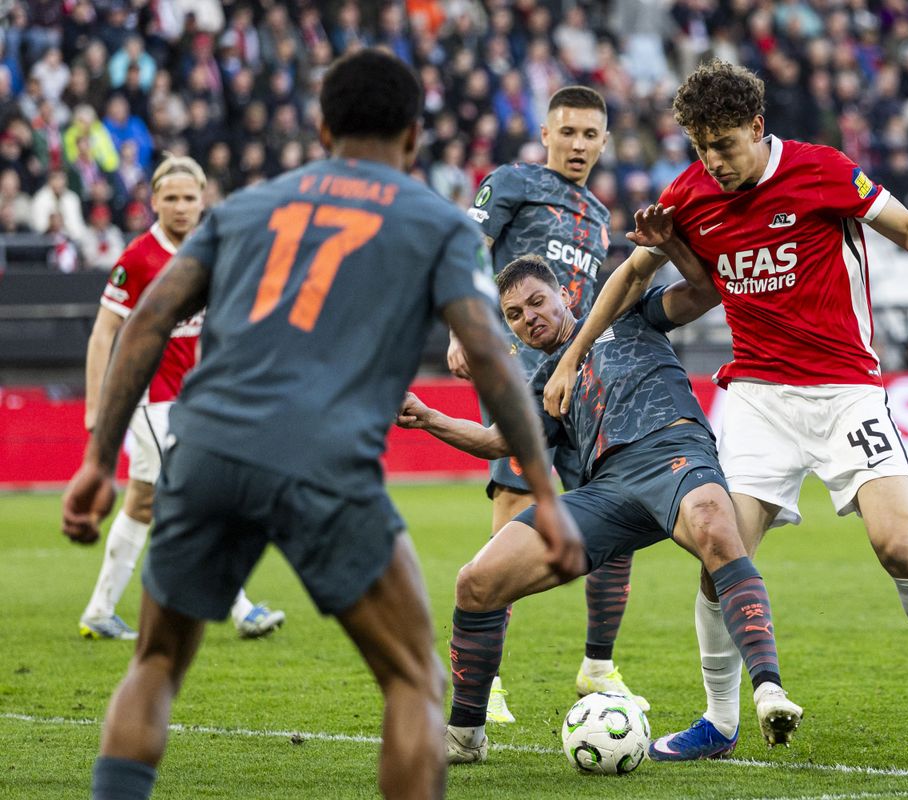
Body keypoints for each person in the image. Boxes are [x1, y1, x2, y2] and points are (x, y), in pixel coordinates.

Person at [61, 50, 582, 800]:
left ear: (321, 126)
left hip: (204, 449)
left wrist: (94, 459)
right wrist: (546, 492)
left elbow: (146, 320)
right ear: (413, 137)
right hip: (324, 459)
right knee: (413, 677)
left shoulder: (242, 209)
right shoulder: (436, 225)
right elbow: (492, 360)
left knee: (155, 664)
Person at [545, 61, 908, 763]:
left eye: (726, 144)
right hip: (758, 398)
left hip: (845, 390)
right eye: (702, 147)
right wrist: (573, 353)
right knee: (718, 557)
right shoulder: (691, 193)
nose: (714, 161)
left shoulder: (823, 171)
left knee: (897, 547)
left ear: (758, 129)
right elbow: (634, 272)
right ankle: (720, 720)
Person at [397, 253, 802, 764]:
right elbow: (498, 440)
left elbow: (702, 292)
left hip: (672, 454)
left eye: (536, 301)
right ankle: (465, 735)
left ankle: (768, 691)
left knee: (715, 529)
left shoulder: (624, 315)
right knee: (476, 581)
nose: (530, 317)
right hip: (608, 492)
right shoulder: (545, 383)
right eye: (516, 315)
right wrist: (430, 417)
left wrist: (666, 246)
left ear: (564, 295)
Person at [452, 85, 645, 719]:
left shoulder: (596, 214)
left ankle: (597, 666)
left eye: (591, 134)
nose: (579, 144)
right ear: (546, 133)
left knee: (615, 515)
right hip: (517, 379)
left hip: (580, 384)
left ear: (605, 140)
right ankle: (492, 681)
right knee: (512, 510)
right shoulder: (510, 182)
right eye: (568, 132)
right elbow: (466, 248)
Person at [77, 155, 286, 640]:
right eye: (170, 198)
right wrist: (95, 406)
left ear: (203, 199)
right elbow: (103, 333)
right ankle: (240, 607)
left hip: (192, 398)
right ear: (153, 202)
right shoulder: (137, 259)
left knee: (142, 502)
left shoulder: (209, 252)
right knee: (197, 494)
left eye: (189, 197)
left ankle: (99, 610)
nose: (180, 206)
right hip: (149, 398)